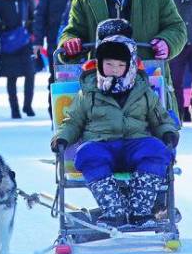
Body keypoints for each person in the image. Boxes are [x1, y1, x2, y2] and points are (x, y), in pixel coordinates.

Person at [51, 27, 179, 228]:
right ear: (99, 65)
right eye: (109, 64)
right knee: (86, 153)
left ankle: (141, 208)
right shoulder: (89, 92)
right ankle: (114, 209)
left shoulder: (143, 91)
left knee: (156, 149)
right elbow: (73, 120)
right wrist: (62, 137)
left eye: (120, 65)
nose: (114, 69)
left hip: (135, 143)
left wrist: (168, 132)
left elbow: (160, 119)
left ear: (129, 66)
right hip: (102, 144)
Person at [58, 0, 187, 115]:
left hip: (148, 82)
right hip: (100, 87)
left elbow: (177, 27)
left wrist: (167, 42)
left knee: (154, 139)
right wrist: (69, 42)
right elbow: (72, 31)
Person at [33, 0, 81, 118]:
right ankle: (56, 115)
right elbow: (39, 15)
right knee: (57, 78)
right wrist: (37, 41)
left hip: (79, 41)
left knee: (79, 78)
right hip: (56, 41)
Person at [0, 0, 35, 119]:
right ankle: (14, 109)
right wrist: (1, 33)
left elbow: (32, 16)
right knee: (12, 77)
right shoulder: (0, 0)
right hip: (8, 44)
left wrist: (31, 33)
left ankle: (27, 106)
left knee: (30, 73)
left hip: (24, 42)